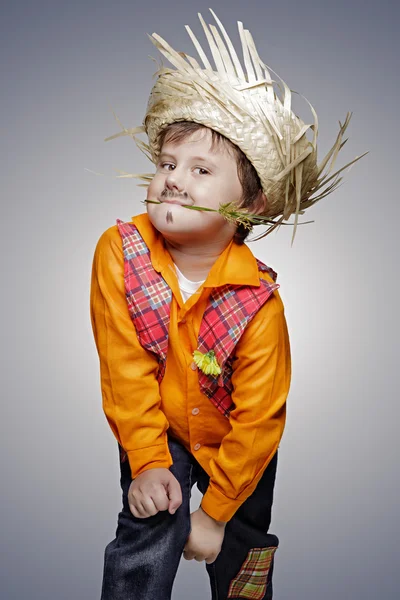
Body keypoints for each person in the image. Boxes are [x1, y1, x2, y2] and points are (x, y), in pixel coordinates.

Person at [90, 9, 365, 600]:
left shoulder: (258, 303)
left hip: (235, 440)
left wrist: (213, 515)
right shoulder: (121, 250)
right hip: (157, 423)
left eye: (201, 169)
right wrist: (145, 460)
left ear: (252, 202)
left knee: (241, 550)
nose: (174, 180)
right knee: (147, 525)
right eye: (166, 163)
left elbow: (260, 416)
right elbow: (123, 365)